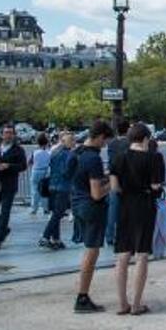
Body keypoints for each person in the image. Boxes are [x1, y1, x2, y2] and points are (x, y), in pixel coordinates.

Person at [111, 123, 165, 315]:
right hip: (144, 205)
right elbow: (156, 185)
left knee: (123, 254)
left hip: (125, 205)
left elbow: (115, 186)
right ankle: (136, 304)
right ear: (145, 138)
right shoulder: (154, 158)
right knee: (142, 253)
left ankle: (122, 303)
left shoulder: (119, 157)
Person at [70, 121, 114, 312]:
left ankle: (82, 294)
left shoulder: (77, 152)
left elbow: (79, 178)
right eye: (105, 141)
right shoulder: (93, 158)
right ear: (100, 137)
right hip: (92, 206)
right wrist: (112, 182)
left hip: (77, 202)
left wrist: (103, 176)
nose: (105, 145)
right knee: (92, 251)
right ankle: (82, 296)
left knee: (88, 250)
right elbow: (97, 193)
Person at [0, 125, 26, 248]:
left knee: (5, 211)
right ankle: (4, 229)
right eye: (6, 133)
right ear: (1, 134)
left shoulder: (18, 150)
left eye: (10, 133)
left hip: (9, 185)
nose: (8, 135)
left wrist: (9, 166)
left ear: (13, 135)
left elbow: (23, 166)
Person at [40, 130, 75, 250]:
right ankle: (45, 236)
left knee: (55, 213)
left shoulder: (54, 152)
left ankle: (56, 239)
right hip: (63, 186)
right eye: (71, 141)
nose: (73, 143)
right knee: (58, 213)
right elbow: (66, 172)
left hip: (52, 185)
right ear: (64, 141)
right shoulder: (69, 154)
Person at [104, 119, 131, 247]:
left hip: (113, 177)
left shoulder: (112, 143)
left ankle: (109, 236)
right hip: (126, 179)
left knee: (112, 209)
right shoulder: (129, 143)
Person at [28, 133, 51, 216]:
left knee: (34, 190)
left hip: (35, 171)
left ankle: (34, 209)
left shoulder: (35, 152)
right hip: (45, 171)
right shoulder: (49, 152)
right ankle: (46, 208)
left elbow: (30, 162)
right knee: (44, 191)